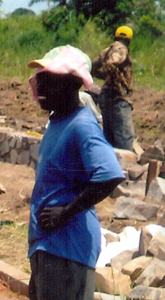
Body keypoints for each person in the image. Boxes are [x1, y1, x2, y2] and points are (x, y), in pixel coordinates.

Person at [25, 45, 124, 300]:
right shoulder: (58, 121)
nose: (41, 88)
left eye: (49, 81)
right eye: (40, 80)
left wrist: (65, 212)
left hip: (67, 248)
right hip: (49, 246)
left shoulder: (82, 125)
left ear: (72, 85)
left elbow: (110, 174)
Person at [91, 26, 135, 151]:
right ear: (129, 40)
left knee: (109, 137)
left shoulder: (106, 51)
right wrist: (118, 81)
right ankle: (125, 167)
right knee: (124, 138)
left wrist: (106, 77)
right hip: (118, 96)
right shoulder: (122, 49)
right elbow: (113, 63)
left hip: (105, 95)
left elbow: (92, 67)